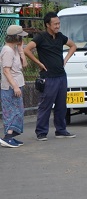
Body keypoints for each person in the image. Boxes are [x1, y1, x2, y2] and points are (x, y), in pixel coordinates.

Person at [24, 11, 77, 141]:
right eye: (55, 24)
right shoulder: (41, 37)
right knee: (45, 105)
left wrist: (66, 59)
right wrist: (38, 63)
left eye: (59, 23)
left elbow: (73, 46)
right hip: (48, 77)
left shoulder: (60, 37)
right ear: (48, 24)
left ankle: (61, 130)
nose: (58, 26)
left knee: (61, 105)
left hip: (61, 76)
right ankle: (41, 132)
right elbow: (26, 49)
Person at [0, 25, 29, 148]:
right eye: (20, 37)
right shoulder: (7, 50)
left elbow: (25, 65)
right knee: (11, 112)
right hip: (10, 87)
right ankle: (7, 137)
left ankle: (10, 137)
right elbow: (6, 71)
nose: (22, 39)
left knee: (18, 111)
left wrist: (21, 50)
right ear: (15, 37)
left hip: (17, 84)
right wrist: (15, 86)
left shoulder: (15, 50)